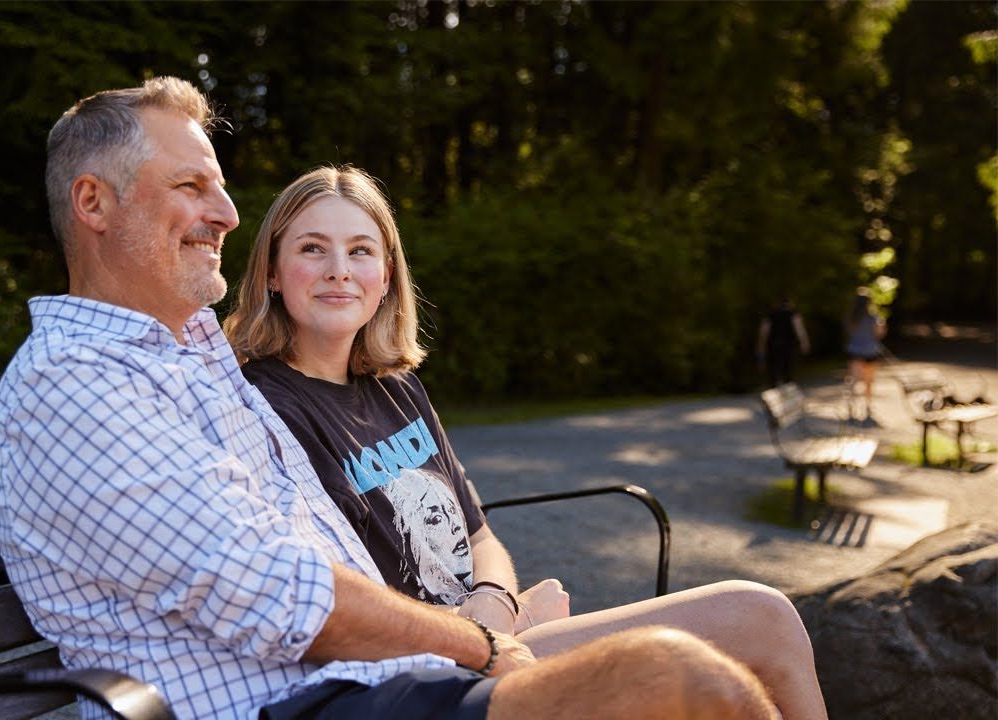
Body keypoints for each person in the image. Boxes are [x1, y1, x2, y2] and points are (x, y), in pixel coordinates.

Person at [0, 77, 785, 720]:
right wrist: (484, 641)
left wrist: (494, 612)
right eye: (193, 185)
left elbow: (369, 554)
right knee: (676, 682)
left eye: (220, 189)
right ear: (94, 204)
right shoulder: (74, 385)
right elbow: (292, 599)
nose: (226, 213)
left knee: (740, 634)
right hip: (303, 703)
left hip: (384, 681)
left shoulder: (193, 358)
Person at [225, 165, 829, 719]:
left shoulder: (397, 388)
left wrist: (496, 599)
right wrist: (491, 627)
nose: (339, 270)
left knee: (762, 621)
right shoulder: (265, 407)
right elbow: (333, 599)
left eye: (361, 251)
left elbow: (480, 533)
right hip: (429, 673)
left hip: (497, 630)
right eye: (312, 249)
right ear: (273, 273)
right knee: (754, 621)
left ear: (386, 276)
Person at [845, 287, 886, 425]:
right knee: (868, 383)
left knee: (854, 383)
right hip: (870, 352)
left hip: (855, 352)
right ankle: (867, 411)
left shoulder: (851, 318)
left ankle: (851, 411)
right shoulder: (873, 318)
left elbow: (849, 332)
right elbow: (879, 333)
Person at [757, 297, 811, 387]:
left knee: (773, 373)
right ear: (789, 303)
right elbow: (800, 330)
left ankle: (774, 392)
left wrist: (761, 347)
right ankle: (788, 395)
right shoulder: (793, 314)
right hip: (789, 346)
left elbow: (763, 333)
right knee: (788, 373)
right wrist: (805, 343)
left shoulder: (770, 315)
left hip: (773, 346)